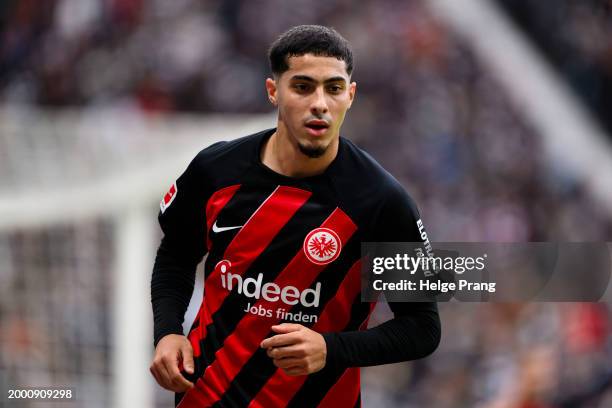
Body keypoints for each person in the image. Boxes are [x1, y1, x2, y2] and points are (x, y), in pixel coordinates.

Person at [150, 24, 441, 407]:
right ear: (273, 91)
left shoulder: (383, 202)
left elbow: (422, 328)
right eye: (303, 87)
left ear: (350, 96)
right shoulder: (216, 169)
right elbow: (176, 255)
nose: (320, 103)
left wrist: (330, 348)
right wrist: (169, 331)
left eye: (333, 88)